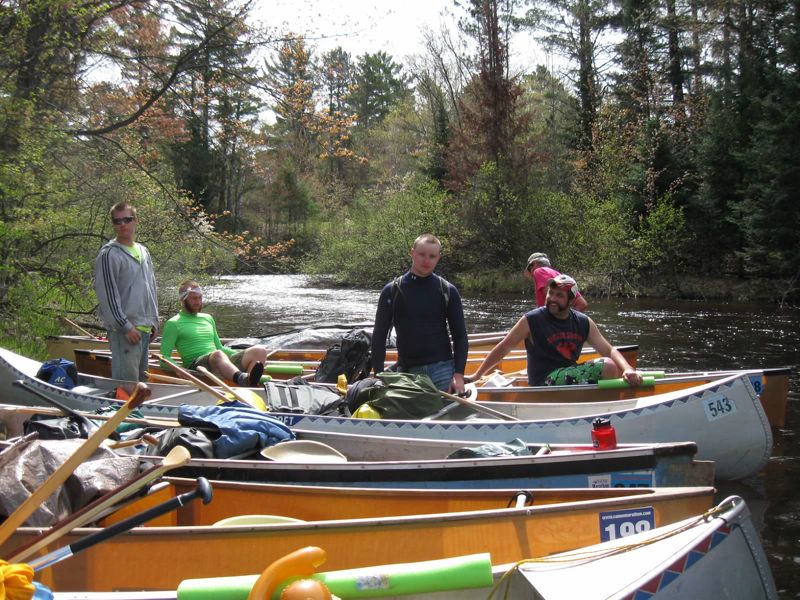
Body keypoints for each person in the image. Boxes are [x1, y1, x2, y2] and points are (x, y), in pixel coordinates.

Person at [465, 274, 642, 387]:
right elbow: (504, 347)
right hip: (544, 381)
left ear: (572, 301)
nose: (552, 299)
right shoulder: (532, 319)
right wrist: (476, 375)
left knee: (611, 366)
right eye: (551, 293)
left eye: (559, 295)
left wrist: (627, 368)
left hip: (568, 375)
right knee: (608, 366)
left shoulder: (583, 322)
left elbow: (609, 349)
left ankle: (603, 406)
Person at [371, 234, 469, 394]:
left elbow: (460, 337)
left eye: (432, 256)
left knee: (441, 418)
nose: (426, 260)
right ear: (412, 253)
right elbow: (379, 336)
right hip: (407, 373)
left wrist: (458, 374)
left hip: (442, 371)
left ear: (438, 258)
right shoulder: (392, 291)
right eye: (422, 254)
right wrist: (379, 375)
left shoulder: (448, 291)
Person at [94, 202, 159, 382]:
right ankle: (122, 410)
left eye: (127, 219)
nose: (122, 224)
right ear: (113, 225)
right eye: (117, 221)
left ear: (136, 221)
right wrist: (125, 326)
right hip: (125, 332)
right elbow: (107, 296)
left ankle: (137, 411)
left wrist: (154, 320)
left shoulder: (144, 251)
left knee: (142, 387)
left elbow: (151, 287)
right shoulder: (109, 254)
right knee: (127, 388)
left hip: (145, 329)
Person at [159, 280, 266, 386]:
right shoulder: (173, 323)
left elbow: (219, 347)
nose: (198, 302)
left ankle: (248, 383)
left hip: (217, 360)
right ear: (183, 299)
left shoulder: (208, 318)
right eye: (194, 298)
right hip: (197, 365)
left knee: (259, 350)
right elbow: (164, 357)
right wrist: (178, 369)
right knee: (217, 355)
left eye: (200, 298)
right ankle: (242, 378)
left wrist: (239, 355)